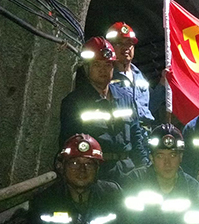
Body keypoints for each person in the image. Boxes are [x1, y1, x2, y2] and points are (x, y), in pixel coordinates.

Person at [59, 37, 148, 181]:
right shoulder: (75, 102)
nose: (103, 70)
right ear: (87, 68)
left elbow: (136, 136)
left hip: (128, 171)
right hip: (96, 173)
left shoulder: (126, 98)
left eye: (107, 64)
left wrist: (144, 166)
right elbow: (68, 141)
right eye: (97, 65)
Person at [106, 22, 166, 127]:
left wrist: (163, 84)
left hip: (144, 132)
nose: (126, 48)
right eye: (119, 43)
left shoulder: (139, 75)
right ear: (110, 47)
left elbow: (149, 106)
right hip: (121, 131)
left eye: (129, 43)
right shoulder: (106, 76)